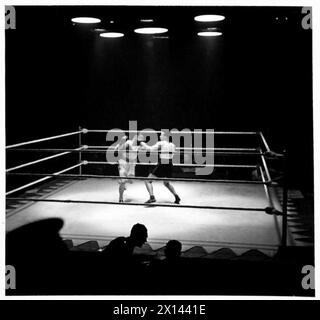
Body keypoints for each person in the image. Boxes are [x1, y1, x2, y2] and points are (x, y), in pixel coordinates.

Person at [140, 131, 181, 204]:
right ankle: (176, 196)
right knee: (166, 183)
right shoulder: (172, 145)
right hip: (170, 164)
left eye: (161, 135)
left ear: (165, 136)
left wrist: (143, 143)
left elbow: (150, 149)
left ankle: (152, 197)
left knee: (147, 180)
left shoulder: (161, 143)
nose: (160, 136)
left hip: (163, 164)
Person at [114, 133, 144, 202]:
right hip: (123, 162)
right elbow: (118, 148)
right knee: (123, 181)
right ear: (136, 137)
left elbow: (146, 150)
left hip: (132, 163)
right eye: (140, 137)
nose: (141, 139)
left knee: (131, 181)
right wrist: (120, 142)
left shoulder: (140, 146)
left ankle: (122, 181)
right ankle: (120, 198)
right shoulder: (128, 142)